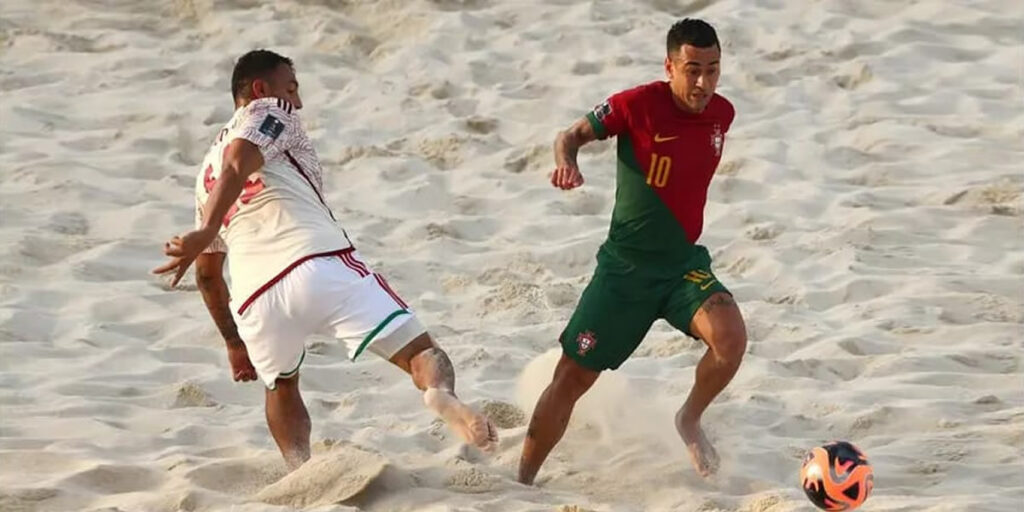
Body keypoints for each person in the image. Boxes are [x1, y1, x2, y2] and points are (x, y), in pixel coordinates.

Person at [153, 49, 497, 469]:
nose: (297, 102)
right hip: (314, 261)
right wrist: (207, 232)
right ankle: (442, 396)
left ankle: (301, 471)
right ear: (261, 89)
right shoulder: (269, 110)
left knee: (280, 386)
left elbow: (207, 276)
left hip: (253, 298)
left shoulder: (203, 174)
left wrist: (232, 342)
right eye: (291, 89)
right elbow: (239, 162)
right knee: (422, 354)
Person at [517, 18, 747, 485]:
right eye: (692, 70)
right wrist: (567, 164)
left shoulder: (722, 113)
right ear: (669, 66)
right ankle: (520, 480)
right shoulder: (636, 105)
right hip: (625, 271)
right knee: (571, 380)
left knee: (731, 339)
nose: (703, 82)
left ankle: (688, 419)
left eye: (713, 69)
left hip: (682, 265)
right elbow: (569, 136)